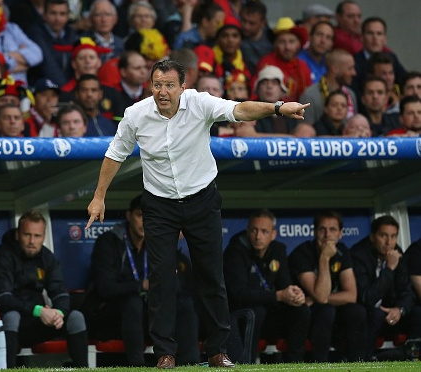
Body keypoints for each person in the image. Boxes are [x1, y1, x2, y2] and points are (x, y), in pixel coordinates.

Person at [86, 59, 309, 369]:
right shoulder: (136, 114)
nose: (162, 91)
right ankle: (165, 354)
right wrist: (99, 197)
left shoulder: (200, 103)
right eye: (157, 84)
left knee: (210, 275)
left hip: (202, 199)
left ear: (183, 87)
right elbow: (115, 153)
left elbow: (240, 110)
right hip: (159, 204)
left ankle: (218, 351)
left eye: (169, 85)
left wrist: (277, 107)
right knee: (161, 279)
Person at [86, 194, 199, 366]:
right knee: (133, 303)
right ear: (129, 215)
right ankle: (138, 367)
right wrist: (141, 285)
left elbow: (179, 285)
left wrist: (165, 279)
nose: (144, 222)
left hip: (148, 319)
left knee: (184, 304)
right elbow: (104, 288)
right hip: (112, 319)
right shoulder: (109, 242)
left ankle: (191, 365)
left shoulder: (159, 244)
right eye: (140, 215)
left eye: (149, 216)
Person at [0, 210, 89, 368]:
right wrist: (39, 311)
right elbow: (3, 299)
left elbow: (60, 291)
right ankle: (7, 369)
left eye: (37, 236)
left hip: (38, 322)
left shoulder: (46, 257)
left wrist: (58, 313)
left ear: (44, 237)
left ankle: (83, 369)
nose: (32, 241)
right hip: (10, 326)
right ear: (17, 235)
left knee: (75, 317)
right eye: (27, 235)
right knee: (12, 316)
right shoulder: (2, 256)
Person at [223, 209, 310, 363]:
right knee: (256, 311)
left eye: (264, 231)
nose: (258, 236)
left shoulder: (278, 250)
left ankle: (295, 363)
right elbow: (239, 294)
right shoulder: (235, 251)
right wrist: (278, 295)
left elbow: (285, 285)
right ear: (248, 231)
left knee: (301, 310)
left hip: (268, 313)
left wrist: (295, 294)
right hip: (239, 313)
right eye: (254, 230)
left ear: (273, 234)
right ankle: (247, 364)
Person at [288, 210, 367, 362]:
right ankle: (321, 365)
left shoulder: (343, 251)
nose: (327, 235)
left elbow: (351, 295)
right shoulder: (302, 253)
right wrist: (324, 257)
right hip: (305, 317)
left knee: (357, 311)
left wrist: (317, 298)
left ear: (341, 234)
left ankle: (358, 364)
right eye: (322, 229)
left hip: (328, 311)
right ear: (315, 232)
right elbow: (321, 297)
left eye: (333, 230)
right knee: (326, 310)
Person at [350, 215, 421, 360]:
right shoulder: (359, 255)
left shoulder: (396, 253)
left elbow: (407, 292)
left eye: (393, 237)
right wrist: (388, 269)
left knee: (418, 313)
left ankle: (413, 359)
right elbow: (367, 297)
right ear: (372, 237)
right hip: (367, 314)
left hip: (391, 314)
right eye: (384, 236)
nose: (389, 242)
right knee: (374, 314)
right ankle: (365, 361)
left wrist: (399, 309)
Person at [254, 17, 311, 103]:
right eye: (282, 42)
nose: (287, 47)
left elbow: (308, 96)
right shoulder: (266, 63)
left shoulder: (303, 66)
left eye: (291, 42)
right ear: (275, 44)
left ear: (298, 44)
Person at [300, 49, 357, 125]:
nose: (354, 73)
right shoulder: (310, 96)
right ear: (335, 69)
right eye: (350, 68)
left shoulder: (351, 94)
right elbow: (305, 131)